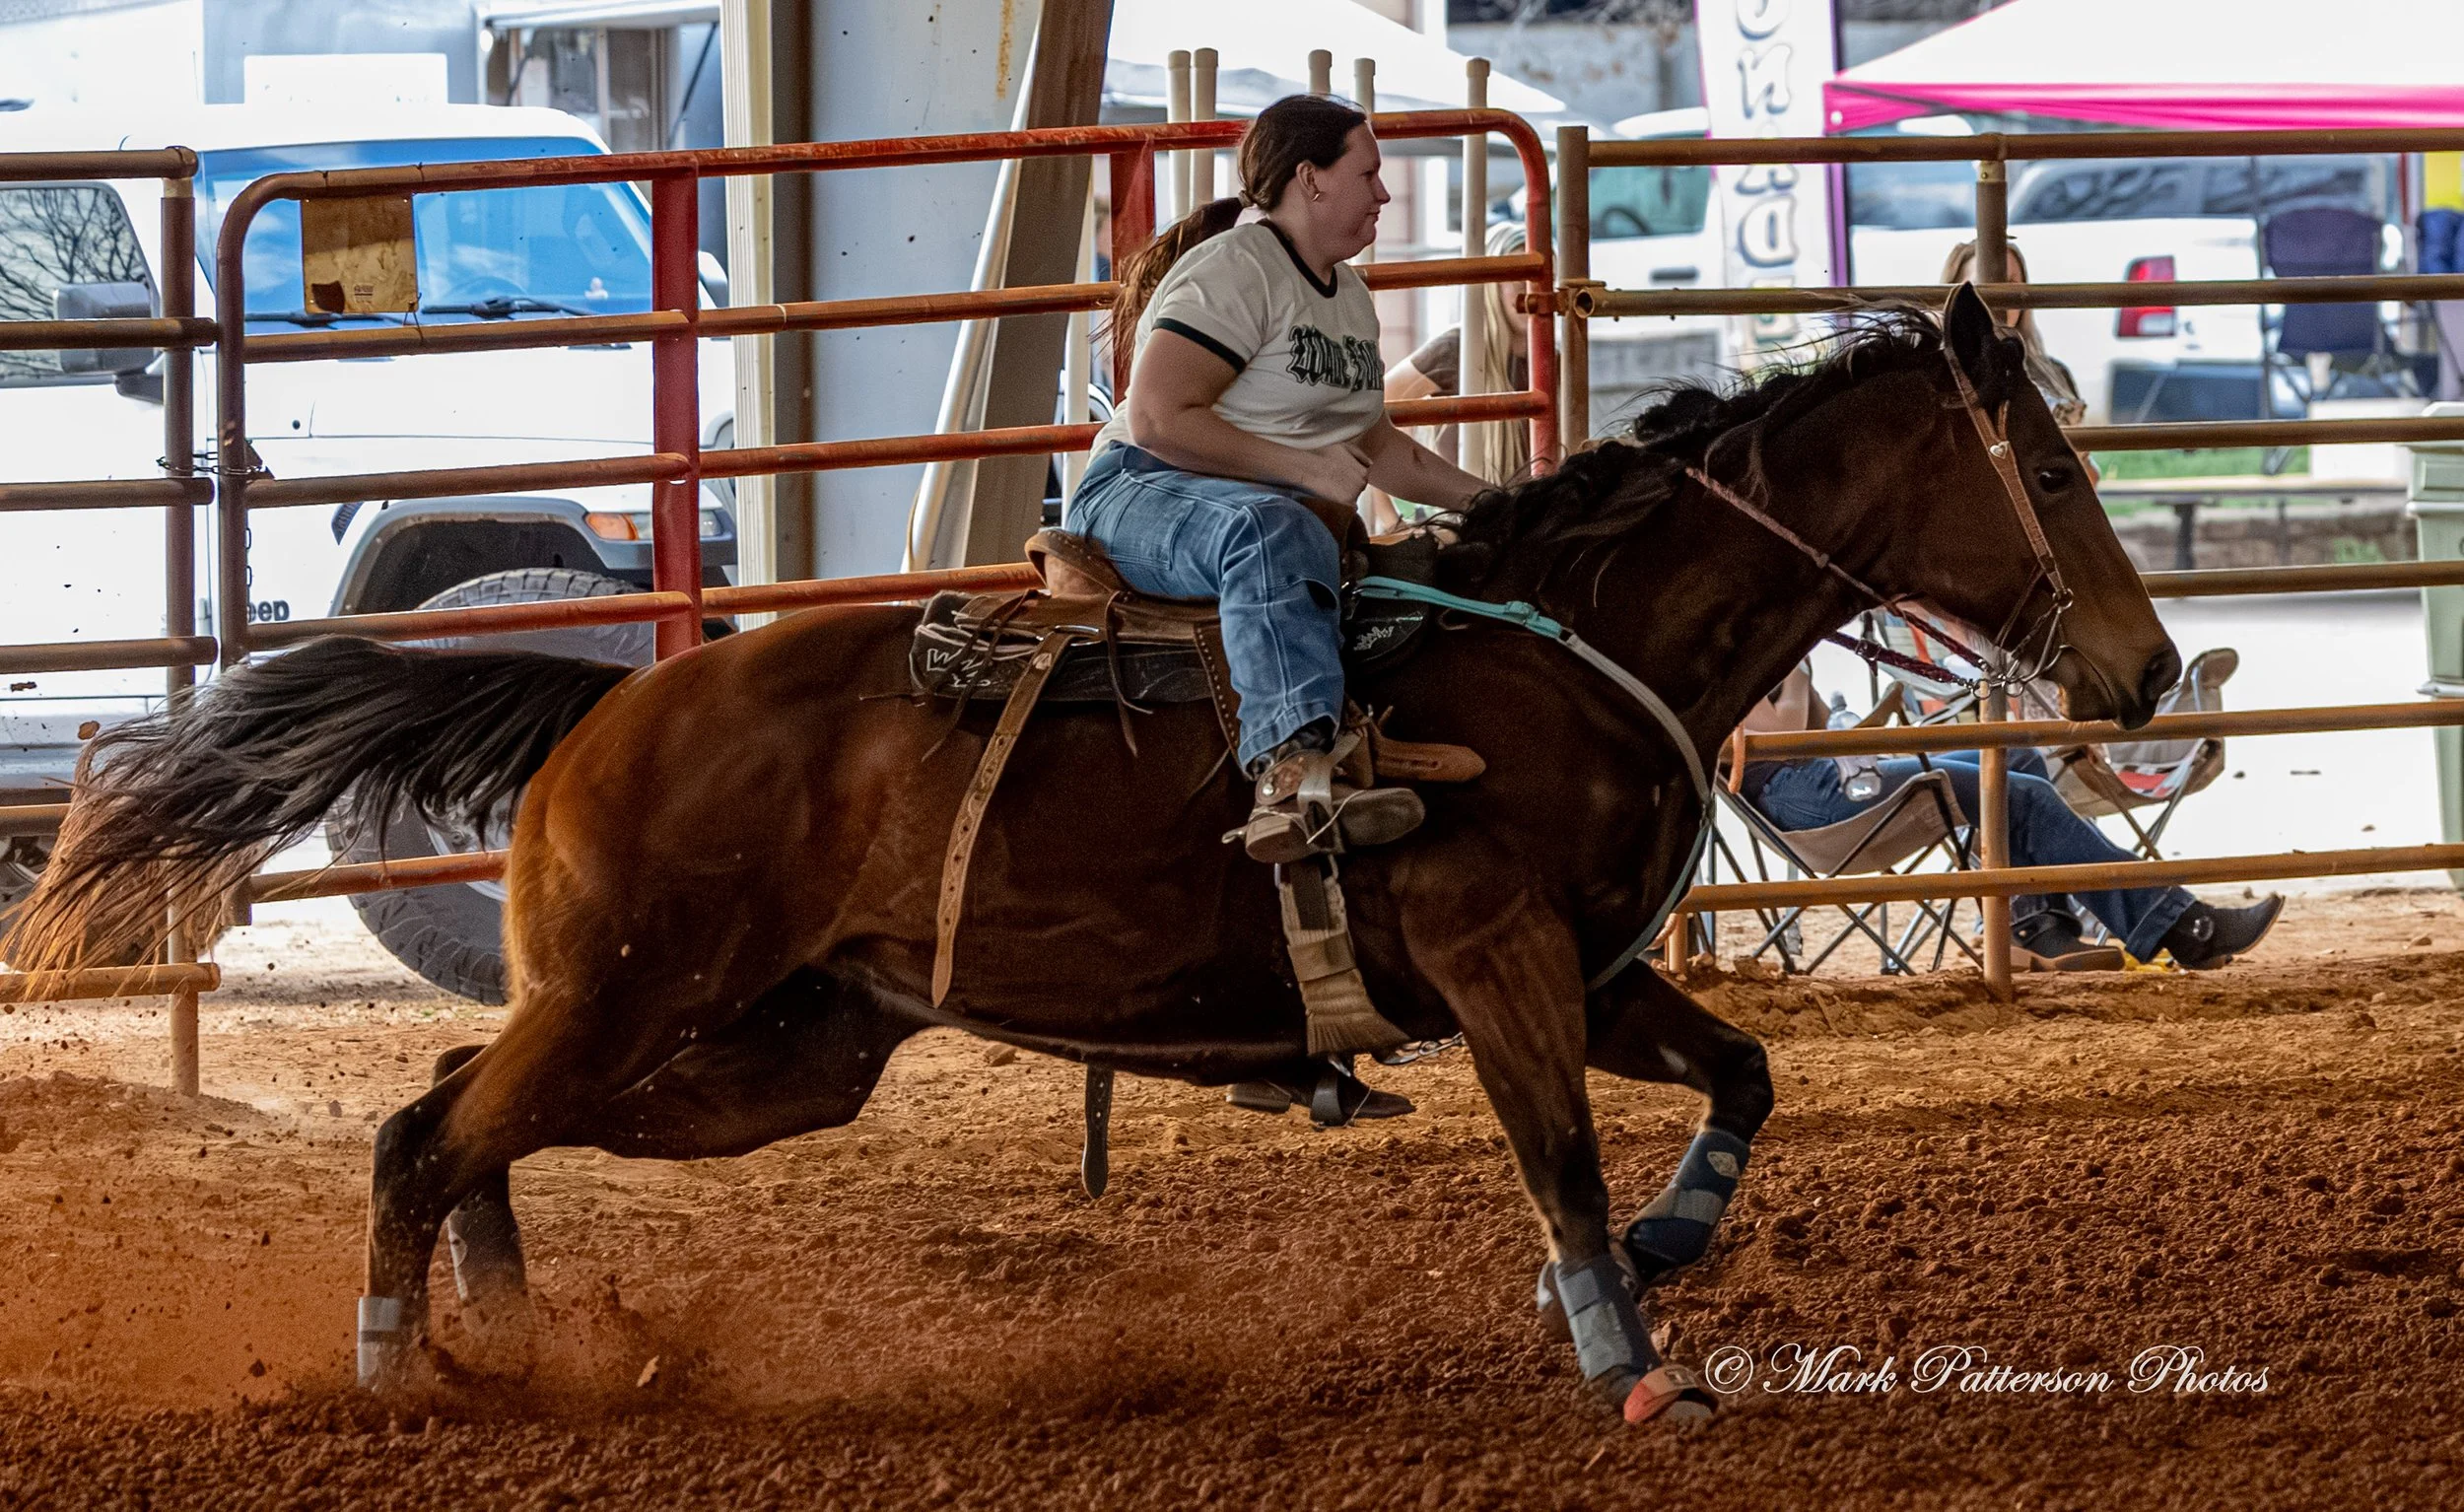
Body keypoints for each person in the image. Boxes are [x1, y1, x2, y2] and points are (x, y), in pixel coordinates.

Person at [1066, 95, 1492, 863]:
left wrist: (1495, 500)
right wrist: (1300, 470)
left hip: (1238, 501)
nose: (1384, 195)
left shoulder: (1349, 296)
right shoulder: (1237, 270)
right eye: (1369, 174)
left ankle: (1352, 734)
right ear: (1311, 179)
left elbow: (1379, 447)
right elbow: (1160, 417)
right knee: (1272, 529)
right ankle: (1290, 775)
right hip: (1138, 488)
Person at [1735, 664, 2283, 971]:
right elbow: (1773, 735)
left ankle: (2036, 926)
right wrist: (1798, 667)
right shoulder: (1728, 646)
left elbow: (1826, 729)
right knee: (2019, 795)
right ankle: (2185, 926)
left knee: (2014, 756)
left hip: (1832, 780)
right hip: (1813, 801)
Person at [1371, 221, 1532, 528]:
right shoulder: (1457, 348)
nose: (1530, 289)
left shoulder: (1553, 359)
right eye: (1516, 277)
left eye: (1536, 275)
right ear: (1492, 286)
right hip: (1463, 525)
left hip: (1524, 522)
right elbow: (1373, 412)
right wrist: (1393, 521)